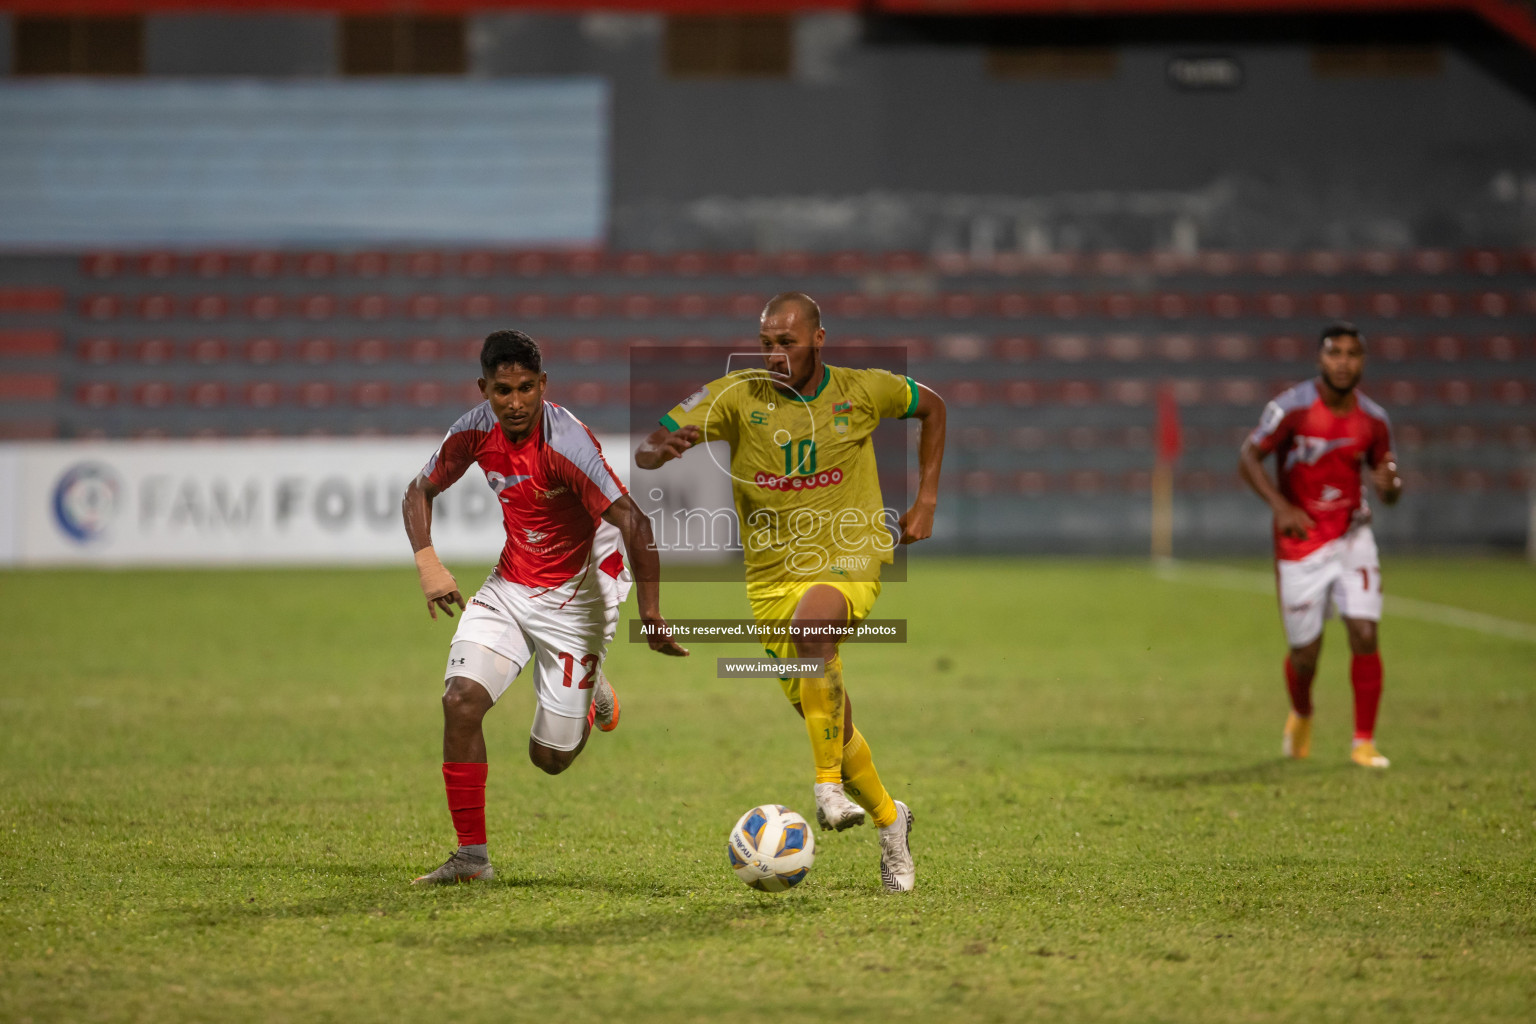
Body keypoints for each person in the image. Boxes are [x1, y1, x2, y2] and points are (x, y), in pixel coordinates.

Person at [635, 292, 946, 892]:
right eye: (767, 344)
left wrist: (926, 498)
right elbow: (655, 441)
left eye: (788, 343)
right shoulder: (735, 397)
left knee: (815, 630)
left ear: (819, 339)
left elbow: (932, 406)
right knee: (831, 718)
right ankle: (891, 819)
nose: (776, 355)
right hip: (771, 579)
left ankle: (825, 786)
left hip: (848, 554)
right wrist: (658, 451)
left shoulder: (861, 390)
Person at [404, 330, 687, 885]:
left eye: (526, 388)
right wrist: (428, 563)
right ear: (484, 388)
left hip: (581, 597)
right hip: (512, 582)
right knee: (460, 701)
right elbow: (418, 490)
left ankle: (591, 688)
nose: (515, 402)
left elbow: (635, 521)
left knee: (549, 760)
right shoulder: (472, 431)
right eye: (503, 390)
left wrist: (651, 616)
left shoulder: (568, 445)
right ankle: (470, 857)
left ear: (543, 385)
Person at [1239, 322, 1402, 768]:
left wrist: (1391, 487)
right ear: (1320, 359)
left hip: (1352, 535)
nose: (1344, 362)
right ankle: (1303, 712)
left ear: (1362, 361)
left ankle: (1363, 742)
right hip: (1300, 542)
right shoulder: (1291, 409)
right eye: (1335, 353)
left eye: (1352, 354)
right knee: (1305, 655)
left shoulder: (1374, 420)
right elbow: (1248, 457)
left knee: (1365, 633)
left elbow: (1387, 485)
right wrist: (1281, 507)